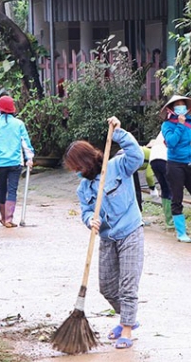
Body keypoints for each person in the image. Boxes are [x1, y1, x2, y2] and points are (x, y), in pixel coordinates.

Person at [63, 116, 144, 350]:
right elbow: (85, 210)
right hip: (108, 237)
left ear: (87, 160)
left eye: (78, 167)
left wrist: (119, 133)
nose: (77, 172)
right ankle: (129, 317)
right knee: (107, 286)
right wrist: (90, 220)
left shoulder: (117, 166)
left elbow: (137, 156)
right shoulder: (84, 188)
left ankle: (127, 328)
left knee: (128, 285)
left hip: (130, 232)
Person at [0, 96, 34, 228]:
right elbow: (25, 142)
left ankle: (3, 218)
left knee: (2, 190)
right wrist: (30, 158)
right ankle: (9, 219)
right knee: (12, 190)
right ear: (12, 110)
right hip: (15, 162)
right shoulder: (19, 124)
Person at [160, 95, 191, 242]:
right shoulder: (167, 125)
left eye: (183, 105)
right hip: (175, 164)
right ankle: (181, 233)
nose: (181, 108)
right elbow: (171, 142)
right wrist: (180, 125)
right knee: (177, 198)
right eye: (177, 106)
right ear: (171, 109)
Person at [148, 132, 172, 228]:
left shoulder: (163, 130)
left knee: (164, 188)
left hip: (153, 159)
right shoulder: (175, 127)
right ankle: (173, 220)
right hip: (164, 158)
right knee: (171, 188)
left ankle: (168, 220)